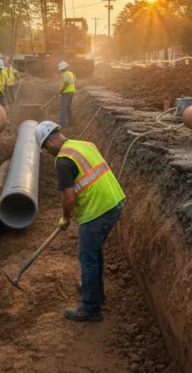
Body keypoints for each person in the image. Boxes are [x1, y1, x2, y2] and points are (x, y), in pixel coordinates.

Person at [36, 121, 124, 322]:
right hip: (114, 202)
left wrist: (65, 218)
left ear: (49, 143)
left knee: (87, 257)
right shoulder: (85, 144)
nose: (47, 152)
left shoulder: (63, 160)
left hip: (98, 209)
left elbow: (68, 197)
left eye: (44, 148)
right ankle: (95, 291)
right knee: (94, 252)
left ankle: (91, 308)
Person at [58, 61, 76, 126]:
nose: (60, 70)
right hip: (72, 92)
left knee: (63, 108)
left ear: (63, 69)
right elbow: (74, 80)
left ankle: (62, 123)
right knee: (69, 108)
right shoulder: (71, 73)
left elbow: (66, 83)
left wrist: (61, 91)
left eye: (60, 69)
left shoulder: (65, 74)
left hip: (66, 93)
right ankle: (71, 123)